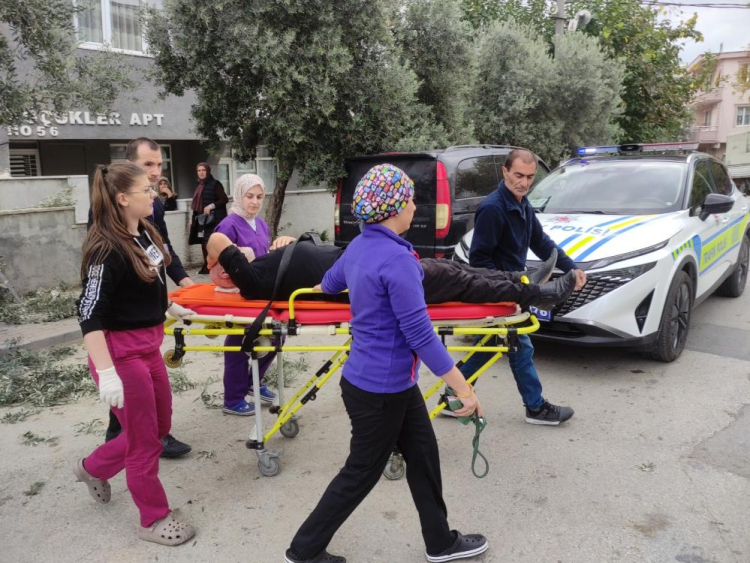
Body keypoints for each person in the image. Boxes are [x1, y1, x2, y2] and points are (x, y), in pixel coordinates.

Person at [276, 164, 490, 563]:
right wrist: (464, 388)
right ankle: (303, 550)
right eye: (410, 199)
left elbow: (329, 284)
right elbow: (421, 335)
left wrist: (347, 290)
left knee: (423, 455)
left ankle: (440, 542)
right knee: (361, 472)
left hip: (383, 383)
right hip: (380, 390)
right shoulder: (397, 260)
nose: (415, 206)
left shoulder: (360, 246)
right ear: (393, 209)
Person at [74, 162, 196, 546]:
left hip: (148, 348)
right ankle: (153, 519)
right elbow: (88, 313)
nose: (154, 192)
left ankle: (92, 467)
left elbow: (151, 281)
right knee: (144, 442)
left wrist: (169, 307)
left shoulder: (144, 232)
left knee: (158, 429)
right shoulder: (105, 249)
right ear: (124, 198)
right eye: (146, 188)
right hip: (120, 356)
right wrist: (107, 373)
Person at [457, 148, 587, 425]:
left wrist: (571, 268)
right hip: (499, 291)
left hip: (513, 290)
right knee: (520, 347)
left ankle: (452, 397)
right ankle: (536, 408)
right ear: (505, 172)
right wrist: (509, 286)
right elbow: (478, 261)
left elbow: (542, 242)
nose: (524, 183)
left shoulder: (522, 204)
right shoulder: (493, 208)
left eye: (529, 177)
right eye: (518, 175)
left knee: (490, 344)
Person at [90, 137, 193, 458]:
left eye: (159, 164)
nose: (156, 171)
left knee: (149, 392)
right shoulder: (109, 212)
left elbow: (162, 251)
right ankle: (121, 439)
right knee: (132, 395)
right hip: (121, 322)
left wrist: (182, 283)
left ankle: (147, 436)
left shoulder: (154, 204)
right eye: (148, 164)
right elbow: (101, 272)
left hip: (146, 319)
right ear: (129, 166)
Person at [206, 231, 575, 308]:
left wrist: (291, 240)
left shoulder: (265, 264)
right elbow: (217, 239)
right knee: (453, 278)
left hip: (369, 260)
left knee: (449, 269)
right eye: (232, 261)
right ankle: (535, 294)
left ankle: (520, 279)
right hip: (368, 279)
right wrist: (213, 259)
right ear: (226, 274)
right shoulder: (252, 282)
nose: (241, 252)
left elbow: (310, 249)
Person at [212, 173, 295, 416]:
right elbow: (218, 262)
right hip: (238, 293)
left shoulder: (261, 224)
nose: (255, 202)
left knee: (276, 336)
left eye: (260, 197)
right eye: (249, 196)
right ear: (239, 195)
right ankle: (233, 398)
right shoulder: (227, 226)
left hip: (261, 290)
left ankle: (252, 382)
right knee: (239, 342)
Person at [188, 162, 228, 274]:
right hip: (204, 220)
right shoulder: (200, 186)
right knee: (204, 242)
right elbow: (197, 206)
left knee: (211, 243)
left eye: (203, 170)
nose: (201, 172)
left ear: (208, 171)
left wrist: (211, 206)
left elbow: (224, 199)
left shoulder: (215, 184)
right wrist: (193, 220)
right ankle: (208, 267)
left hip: (215, 220)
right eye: (199, 170)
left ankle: (214, 267)